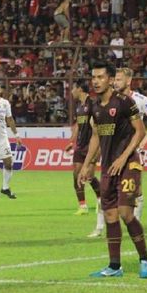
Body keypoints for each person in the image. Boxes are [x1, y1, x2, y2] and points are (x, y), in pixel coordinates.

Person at [79, 60, 147, 279]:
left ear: (111, 80)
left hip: (128, 164)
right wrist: (87, 164)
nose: (96, 81)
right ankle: (114, 265)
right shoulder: (94, 106)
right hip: (107, 168)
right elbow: (95, 136)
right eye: (94, 77)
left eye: (101, 77)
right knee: (110, 215)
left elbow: (139, 131)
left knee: (126, 213)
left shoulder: (124, 102)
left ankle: (145, 260)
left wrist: (122, 157)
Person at [113, 68, 147, 221]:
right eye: (114, 79)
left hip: (134, 149)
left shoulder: (140, 99)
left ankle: (136, 221)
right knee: (110, 186)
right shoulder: (111, 99)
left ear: (128, 81)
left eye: (119, 79)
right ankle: (102, 226)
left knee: (136, 187)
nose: (115, 83)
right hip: (114, 149)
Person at [65, 81, 104, 237]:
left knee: (88, 176)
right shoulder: (79, 106)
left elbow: (97, 128)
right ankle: (83, 206)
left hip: (91, 146)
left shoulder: (93, 104)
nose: (72, 91)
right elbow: (78, 126)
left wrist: (97, 151)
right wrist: (71, 141)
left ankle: (101, 198)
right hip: (80, 146)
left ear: (80, 89)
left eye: (73, 88)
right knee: (76, 174)